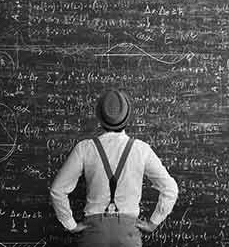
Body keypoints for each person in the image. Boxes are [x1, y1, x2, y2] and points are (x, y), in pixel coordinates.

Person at [49, 89, 179, 247]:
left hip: (94, 233)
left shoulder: (85, 148)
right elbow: (170, 188)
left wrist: (71, 224)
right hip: (128, 232)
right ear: (127, 117)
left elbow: (57, 190)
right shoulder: (141, 149)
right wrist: (153, 223)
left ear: (99, 118)